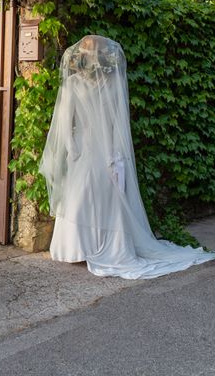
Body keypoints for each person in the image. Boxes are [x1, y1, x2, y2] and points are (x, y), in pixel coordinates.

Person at [39, 35, 215, 279]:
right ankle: (75, 248)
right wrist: (72, 150)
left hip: (106, 148)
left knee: (107, 197)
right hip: (81, 149)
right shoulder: (72, 84)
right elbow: (65, 122)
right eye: (87, 54)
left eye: (94, 54)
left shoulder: (113, 83)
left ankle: (109, 246)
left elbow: (119, 123)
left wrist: (115, 153)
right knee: (79, 196)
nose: (90, 58)